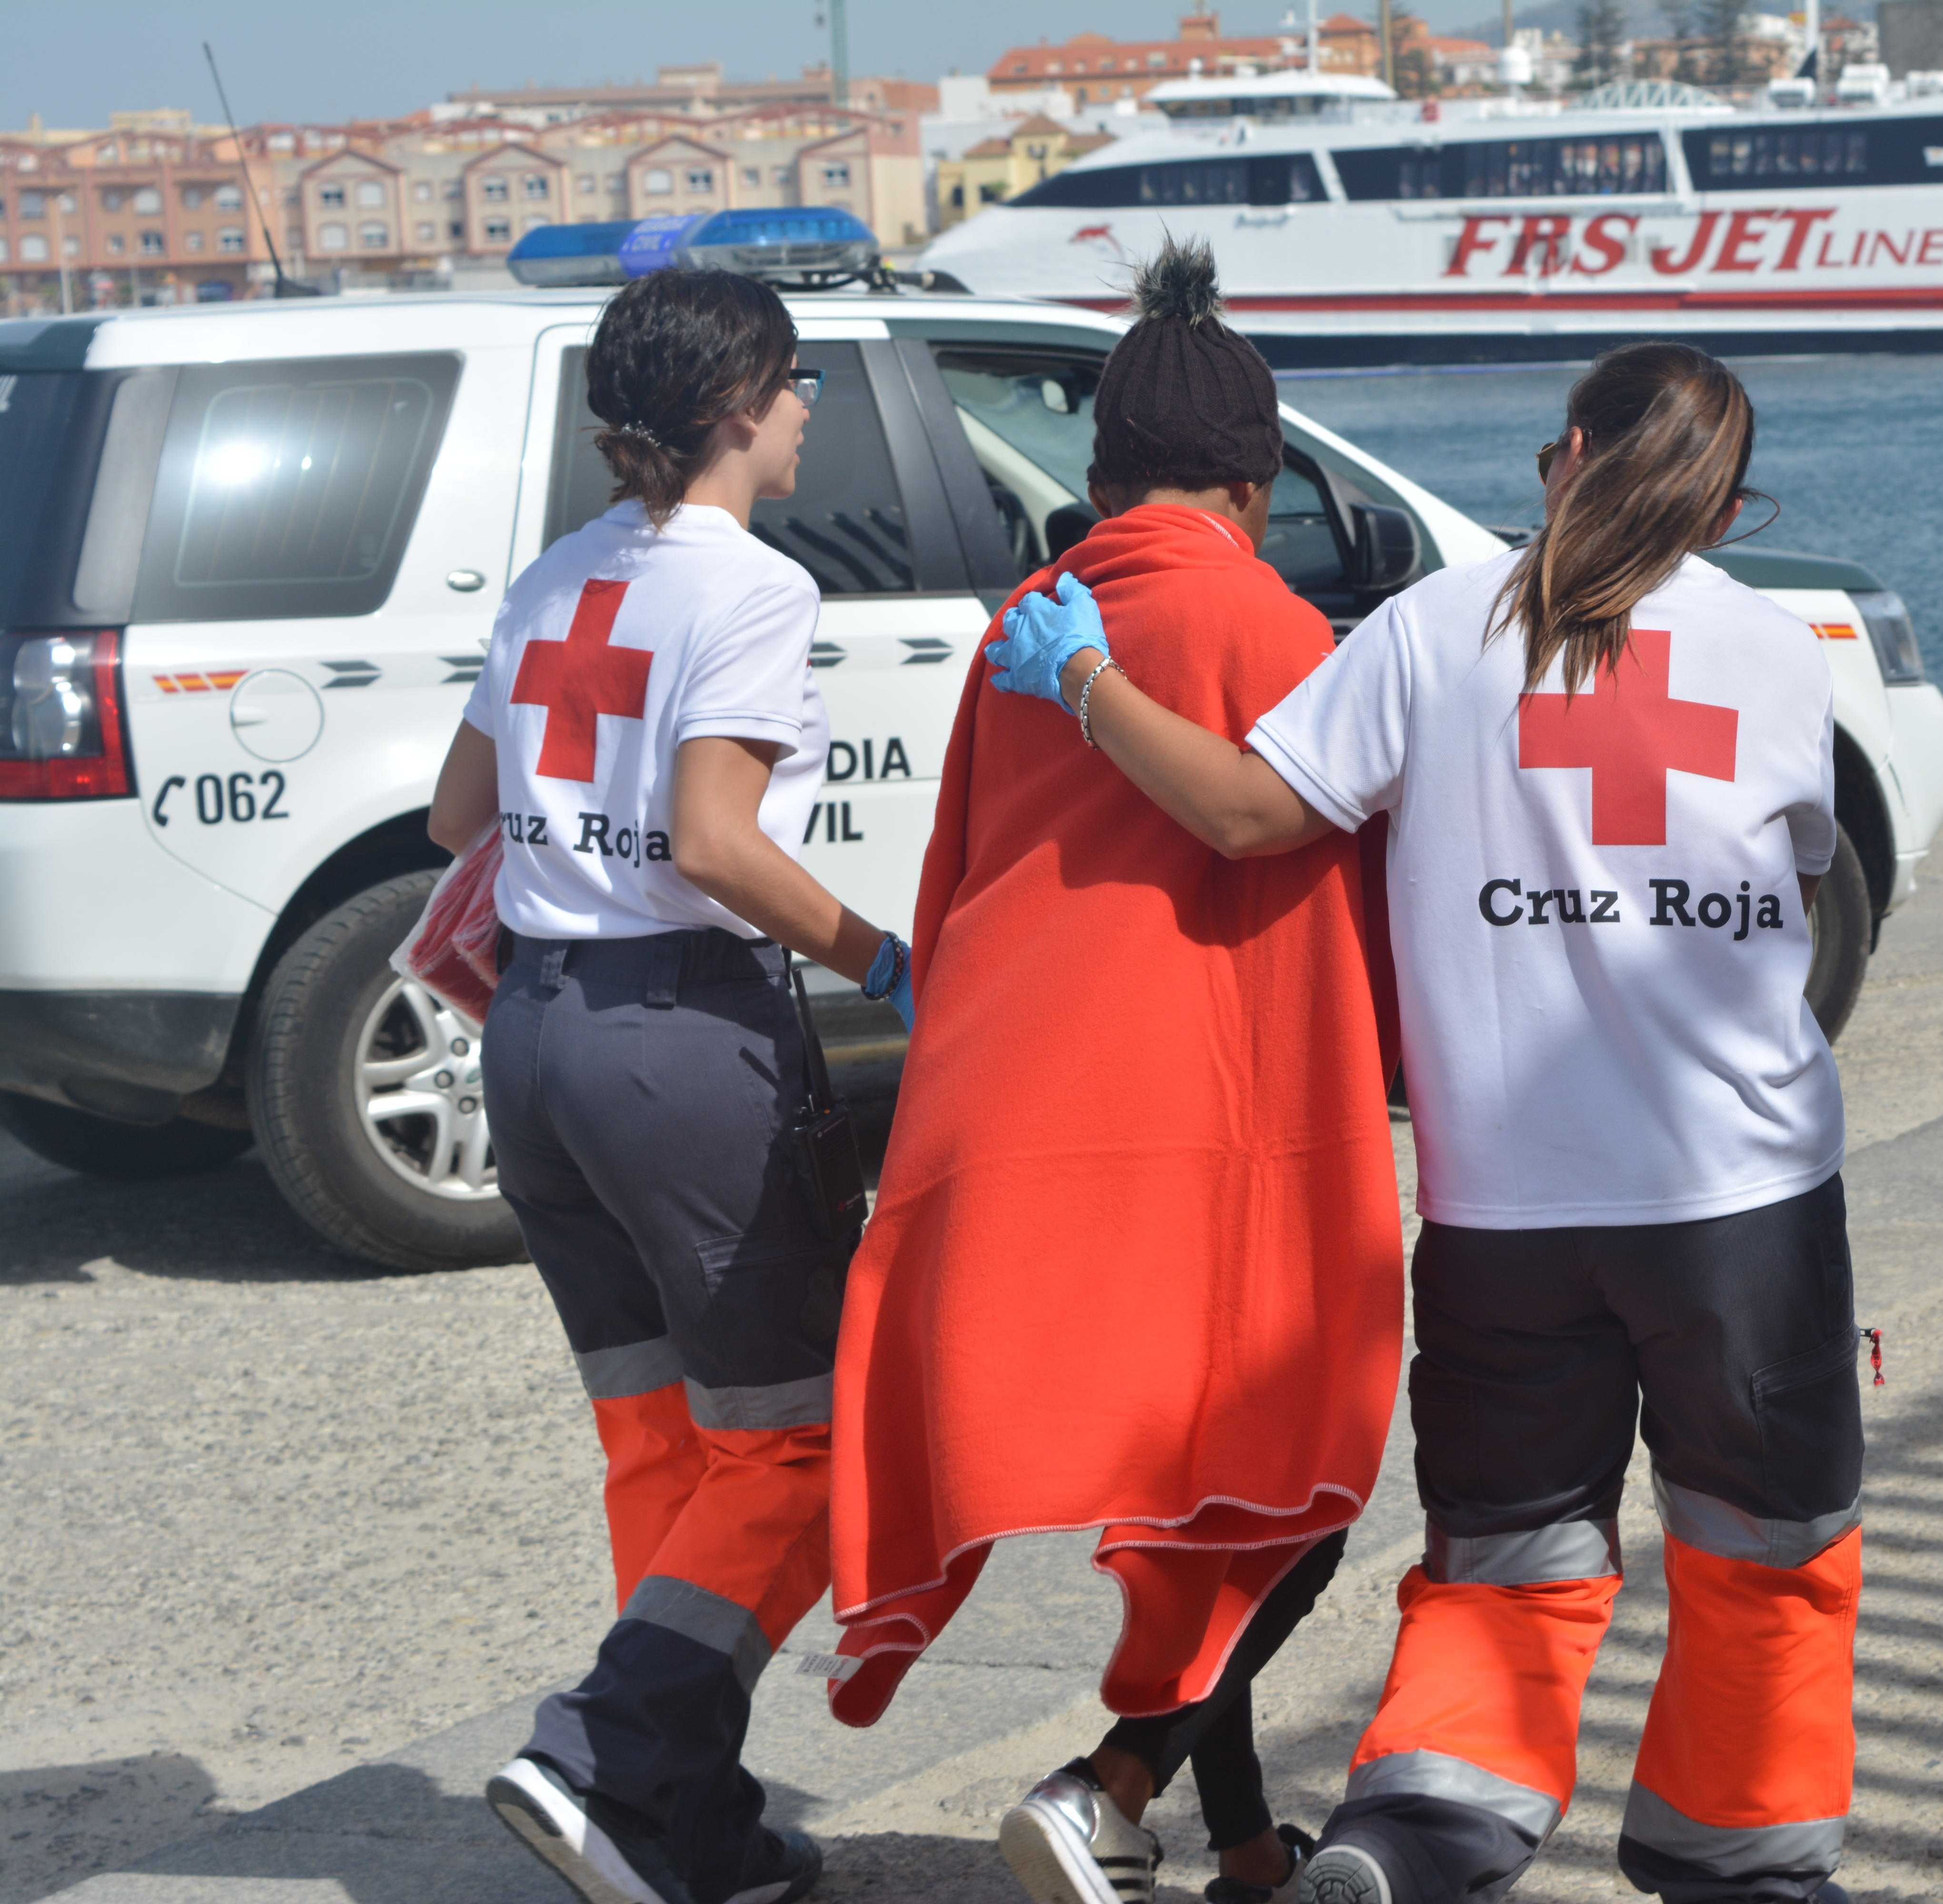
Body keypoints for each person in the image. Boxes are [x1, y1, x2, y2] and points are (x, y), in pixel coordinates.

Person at [991, 340, 1864, 1904]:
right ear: (1724, 510)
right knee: (1764, 1559)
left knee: (1505, 1571)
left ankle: (1416, 1842)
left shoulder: (1431, 626)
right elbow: (1796, 888)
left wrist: (1083, 678)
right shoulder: (1783, 651)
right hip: (1743, 1209)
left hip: (1507, 1217)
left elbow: (1250, 814)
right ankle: (1746, 1871)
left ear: (1566, 455)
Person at [823, 239, 1405, 1904]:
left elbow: (954, 872)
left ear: (1099, 475)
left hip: (1011, 1108)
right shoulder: (1282, 625)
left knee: (1199, 1500)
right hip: (1205, 1130)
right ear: (1261, 474)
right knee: (1286, 1488)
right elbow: (1324, 871)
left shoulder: (1030, 619)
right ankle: (1106, 1785)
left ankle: (1227, 1848)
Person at [426, 266, 914, 1904]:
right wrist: (891, 958)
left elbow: (454, 818)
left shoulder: (557, 575)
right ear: (733, 411)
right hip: (677, 1044)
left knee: (664, 1446)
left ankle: (678, 1822)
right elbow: (716, 843)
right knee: (796, 1447)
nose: (806, 414)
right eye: (797, 385)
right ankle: (603, 1750)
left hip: (538, 1038)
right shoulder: (755, 588)